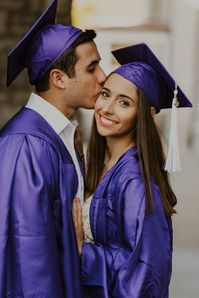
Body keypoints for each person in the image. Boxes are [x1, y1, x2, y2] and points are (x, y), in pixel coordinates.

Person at [0, 0, 106, 297]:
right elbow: (27, 256)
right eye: (92, 68)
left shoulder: (61, 134)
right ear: (58, 78)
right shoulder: (25, 144)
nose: (102, 77)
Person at [72, 43, 192, 297]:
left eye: (124, 103)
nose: (107, 108)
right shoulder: (101, 162)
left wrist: (83, 249)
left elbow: (146, 273)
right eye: (106, 94)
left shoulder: (135, 180)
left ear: (145, 115)